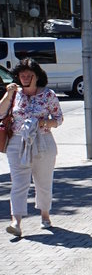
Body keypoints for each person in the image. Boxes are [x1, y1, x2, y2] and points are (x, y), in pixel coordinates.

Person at [2, 57, 64, 238]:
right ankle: (16, 222)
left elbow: (59, 119)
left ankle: (45, 216)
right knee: (19, 183)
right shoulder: (15, 94)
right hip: (17, 142)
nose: (25, 78)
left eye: (29, 75)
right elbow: (0, 112)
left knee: (43, 183)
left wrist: (44, 122)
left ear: (37, 77)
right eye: (22, 75)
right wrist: (7, 95)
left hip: (42, 141)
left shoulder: (48, 95)